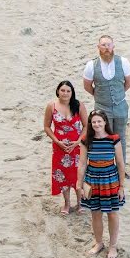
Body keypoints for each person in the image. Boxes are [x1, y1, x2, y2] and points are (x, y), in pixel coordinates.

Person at [76, 110, 125, 258]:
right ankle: (99, 243)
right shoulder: (86, 140)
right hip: (92, 180)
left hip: (110, 179)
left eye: (99, 121)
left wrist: (121, 186)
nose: (97, 124)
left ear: (105, 122)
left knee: (112, 213)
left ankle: (113, 245)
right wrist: (79, 183)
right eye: (94, 122)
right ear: (91, 124)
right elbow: (83, 163)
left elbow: (120, 163)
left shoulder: (114, 139)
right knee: (95, 213)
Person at [83, 35, 130, 166]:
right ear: (98, 47)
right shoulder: (91, 65)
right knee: (104, 137)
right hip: (102, 108)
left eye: (109, 45)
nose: (106, 48)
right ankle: (107, 166)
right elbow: (87, 86)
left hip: (120, 106)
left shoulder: (123, 62)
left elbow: (129, 82)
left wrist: (119, 94)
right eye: (103, 45)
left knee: (120, 137)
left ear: (113, 47)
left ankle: (121, 167)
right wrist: (99, 96)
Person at [44, 80, 88, 215]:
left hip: (77, 146)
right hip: (59, 147)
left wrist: (78, 142)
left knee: (78, 174)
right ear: (58, 91)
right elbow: (46, 127)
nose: (65, 93)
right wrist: (57, 141)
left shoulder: (78, 105)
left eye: (68, 91)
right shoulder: (51, 106)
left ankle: (80, 203)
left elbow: (86, 126)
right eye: (62, 90)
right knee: (62, 175)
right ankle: (67, 203)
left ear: (72, 92)